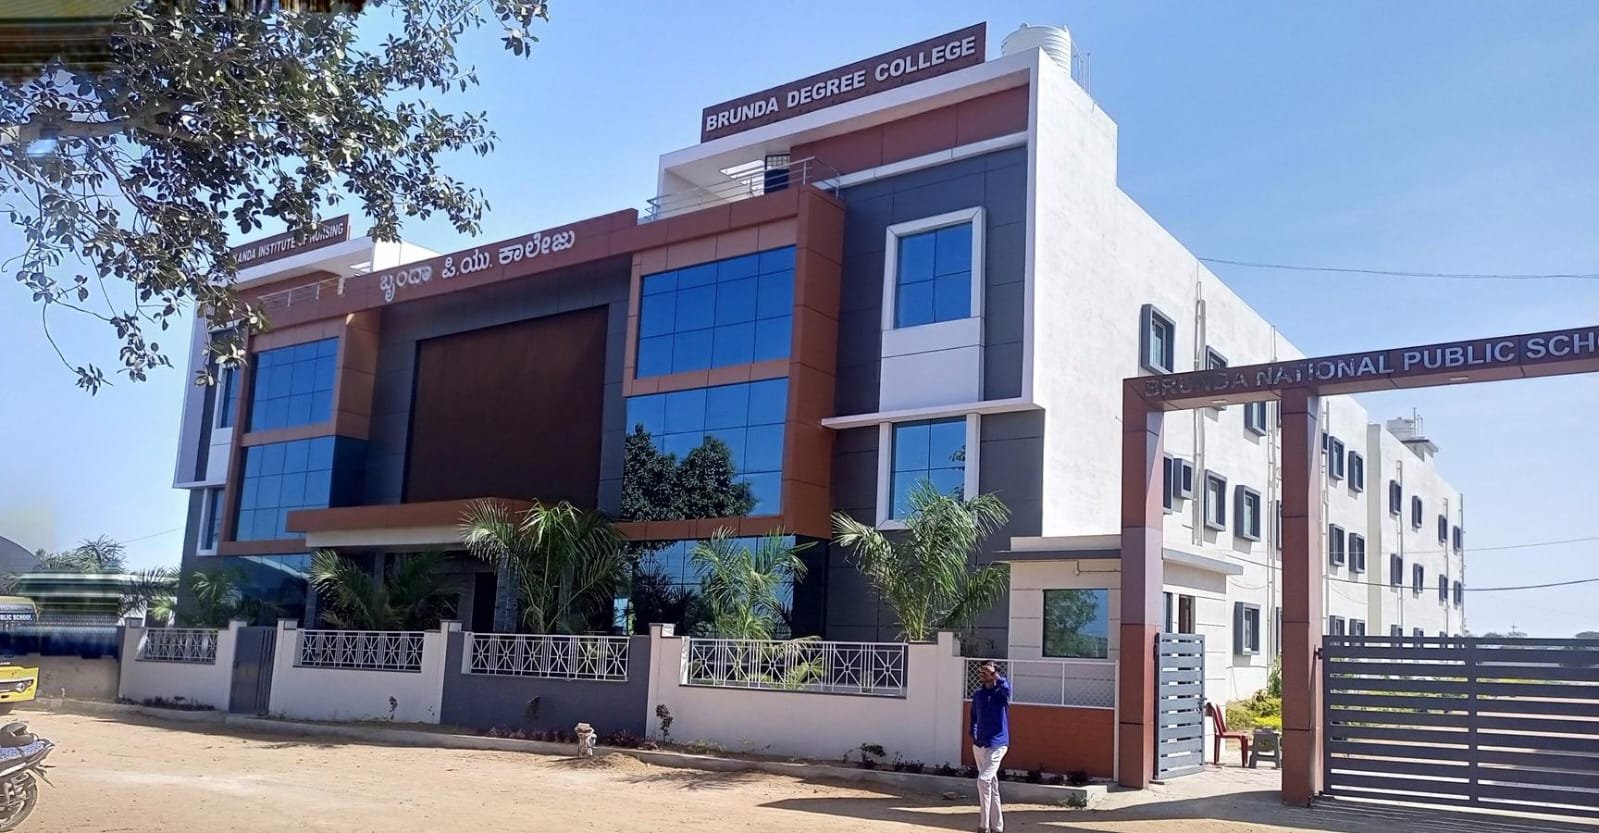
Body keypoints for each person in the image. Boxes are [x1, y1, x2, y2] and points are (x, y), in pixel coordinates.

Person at [969, 660, 1011, 833]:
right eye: (982, 671)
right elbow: (973, 717)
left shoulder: (1001, 693)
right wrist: (974, 734)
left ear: (994, 673)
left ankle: (983, 826)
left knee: (983, 780)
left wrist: (995, 676)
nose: (983, 674)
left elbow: (1007, 689)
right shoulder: (978, 695)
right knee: (991, 785)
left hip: (997, 744)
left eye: (987, 671)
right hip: (980, 745)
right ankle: (997, 827)